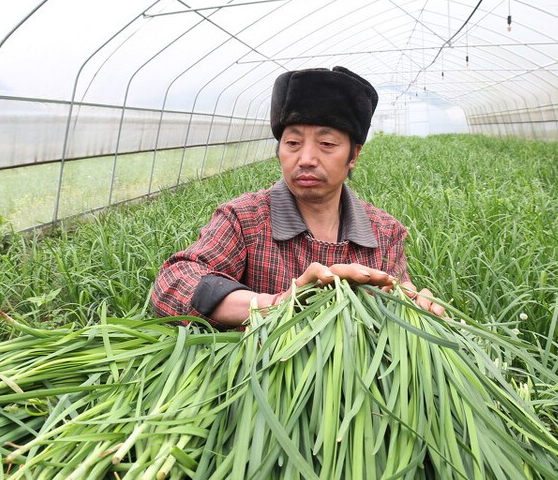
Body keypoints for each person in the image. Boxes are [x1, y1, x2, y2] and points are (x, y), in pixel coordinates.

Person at [151, 66, 443, 327]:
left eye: (326, 143)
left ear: (353, 154)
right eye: (292, 142)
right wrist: (279, 304)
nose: (306, 158)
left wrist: (416, 308)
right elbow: (173, 283)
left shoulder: (384, 232)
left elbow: (397, 307)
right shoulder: (245, 219)